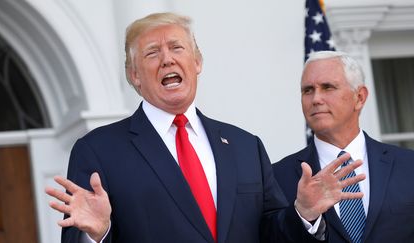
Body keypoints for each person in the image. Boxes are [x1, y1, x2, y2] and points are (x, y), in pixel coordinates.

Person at [45, 13, 364, 243]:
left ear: (197, 63)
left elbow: (273, 233)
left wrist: (304, 213)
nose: (167, 59)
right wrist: (97, 236)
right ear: (134, 76)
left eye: (177, 47)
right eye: (153, 53)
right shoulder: (98, 150)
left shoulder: (245, 146)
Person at [273, 50, 414, 243]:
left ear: (360, 98)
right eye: (308, 90)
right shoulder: (276, 176)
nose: (315, 99)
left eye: (327, 87)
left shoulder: (408, 165)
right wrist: (303, 214)